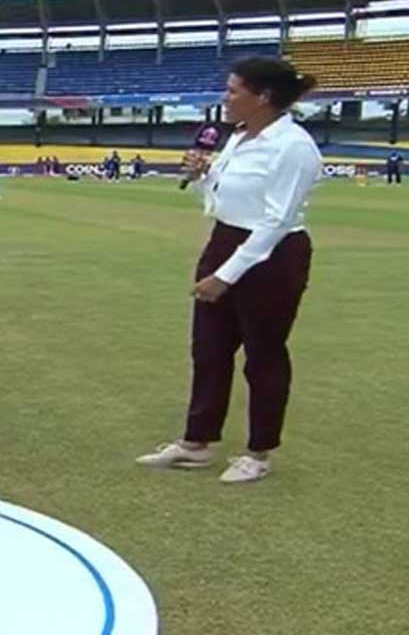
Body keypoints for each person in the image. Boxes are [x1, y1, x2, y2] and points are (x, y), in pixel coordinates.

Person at [137, 58, 321, 484]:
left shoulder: (293, 147)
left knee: (263, 355)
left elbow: (276, 220)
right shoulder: (239, 137)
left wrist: (226, 275)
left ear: (263, 97)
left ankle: (259, 452)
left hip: (273, 255)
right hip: (225, 239)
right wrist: (202, 177)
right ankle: (196, 442)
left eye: (234, 90)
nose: (226, 97)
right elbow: (221, 200)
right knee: (208, 349)